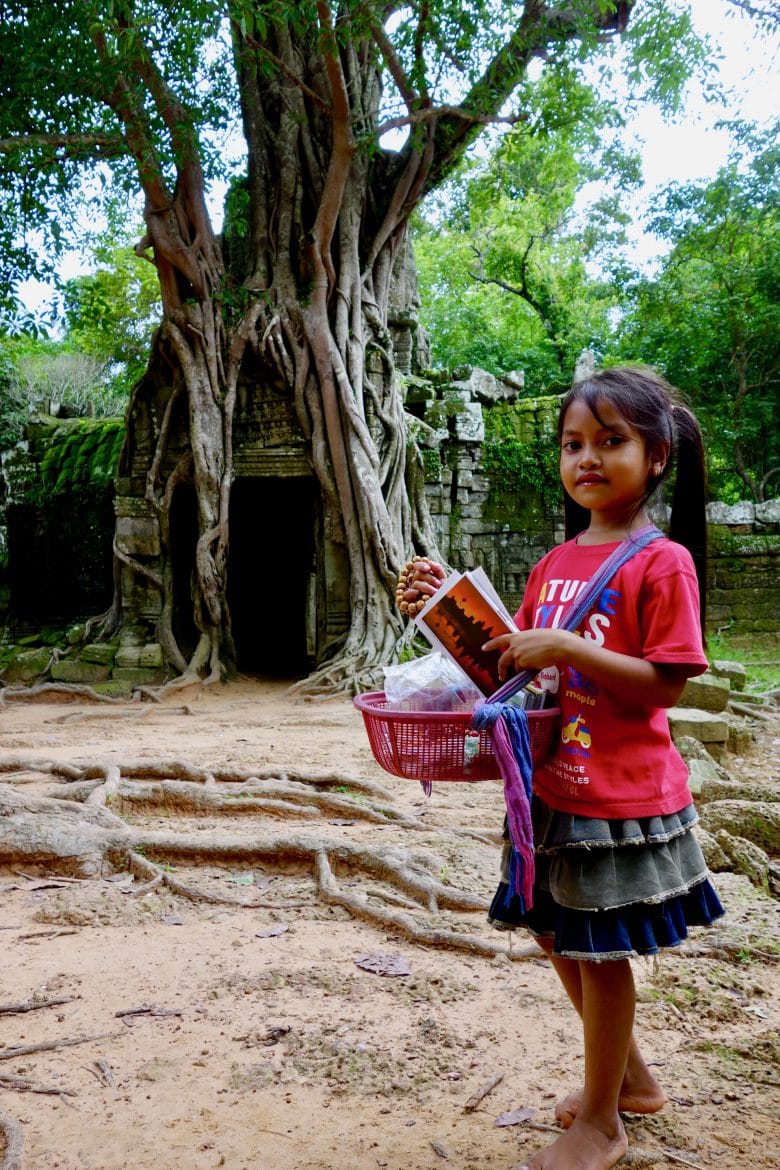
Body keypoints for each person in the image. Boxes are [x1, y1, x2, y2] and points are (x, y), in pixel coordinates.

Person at [399, 366, 725, 1170]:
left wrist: (572, 647)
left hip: (616, 793)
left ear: (656, 457)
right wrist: (448, 605)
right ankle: (633, 1082)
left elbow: (670, 680)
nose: (588, 458)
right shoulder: (553, 563)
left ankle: (602, 1124)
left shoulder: (663, 562)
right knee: (554, 932)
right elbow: (522, 666)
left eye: (611, 441)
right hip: (544, 788)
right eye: (573, 443)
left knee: (597, 950)